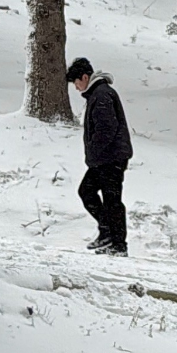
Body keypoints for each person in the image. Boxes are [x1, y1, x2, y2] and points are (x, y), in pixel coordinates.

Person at [66, 57, 133, 256]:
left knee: (110, 199)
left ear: (85, 77)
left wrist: (94, 152)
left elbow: (106, 129)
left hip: (110, 158)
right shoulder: (99, 94)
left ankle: (118, 244)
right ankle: (108, 234)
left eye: (76, 83)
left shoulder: (102, 95)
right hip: (105, 158)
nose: (77, 89)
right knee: (88, 192)